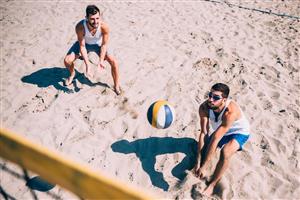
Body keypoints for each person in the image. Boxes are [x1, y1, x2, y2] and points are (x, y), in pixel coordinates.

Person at [193, 83, 250, 196]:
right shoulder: (204, 107)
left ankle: (213, 185)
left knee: (225, 152)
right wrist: (198, 162)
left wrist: (204, 167)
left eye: (216, 97)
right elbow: (204, 132)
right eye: (210, 95)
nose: (210, 99)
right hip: (222, 130)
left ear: (224, 99)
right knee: (204, 152)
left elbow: (216, 138)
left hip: (239, 132)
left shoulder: (230, 112)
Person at [64, 5, 121, 95]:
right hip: (84, 45)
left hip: (98, 45)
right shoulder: (80, 27)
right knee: (67, 61)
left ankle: (116, 86)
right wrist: (88, 65)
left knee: (114, 62)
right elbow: (82, 46)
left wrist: (101, 61)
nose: (95, 22)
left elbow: (104, 45)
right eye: (92, 19)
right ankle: (72, 74)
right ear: (86, 18)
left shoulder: (104, 27)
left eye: (97, 18)